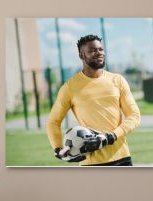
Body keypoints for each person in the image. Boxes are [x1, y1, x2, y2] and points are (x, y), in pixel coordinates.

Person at [46, 35, 140, 166]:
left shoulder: (118, 80)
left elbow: (134, 116)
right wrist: (58, 149)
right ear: (81, 56)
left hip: (122, 158)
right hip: (90, 163)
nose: (99, 53)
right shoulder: (69, 87)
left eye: (101, 49)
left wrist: (110, 137)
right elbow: (53, 122)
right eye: (92, 50)